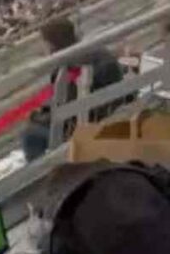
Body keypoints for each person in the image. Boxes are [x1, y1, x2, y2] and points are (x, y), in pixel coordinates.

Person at [22, 17, 127, 161]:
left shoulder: (68, 67)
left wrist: (37, 117)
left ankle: (43, 175)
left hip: (89, 120)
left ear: (51, 43)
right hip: (112, 107)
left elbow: (66, 111)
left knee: (30, 134)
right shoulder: (95, 50)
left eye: (44, 42)